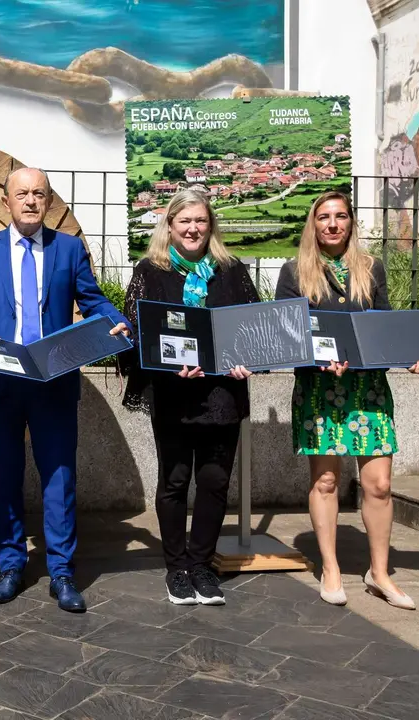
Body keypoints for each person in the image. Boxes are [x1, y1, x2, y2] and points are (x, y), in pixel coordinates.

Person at [0, 167, 130, 613]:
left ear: (48, 202)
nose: (30, 201)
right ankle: (11, 566)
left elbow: (90, 299)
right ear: (6, 201)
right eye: (22, 194)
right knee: (6, 479)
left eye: (39, 194)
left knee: (59, 479)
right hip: (0, 382)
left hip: (53, 381)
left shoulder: (68, 249)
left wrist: (116, 318)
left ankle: (63, 573)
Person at [275, 191, 419, 610]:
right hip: (318, 391)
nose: (332, 224)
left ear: (351, 222)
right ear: (313, 224)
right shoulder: (294, 272)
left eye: (340, 216)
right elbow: (286, 336)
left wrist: (412, 354)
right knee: (325, 481)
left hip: (369, 390)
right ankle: (331, 568)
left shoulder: (370, 268)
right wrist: (319, 361)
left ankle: (379, 574)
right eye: (323, 217)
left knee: (379, 485)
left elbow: (385, 328)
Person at [120, 189, 259, 606]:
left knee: (215, 482)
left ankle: (201, 566)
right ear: (170, 226)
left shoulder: (232, 271)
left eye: (200, 221)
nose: (193, 228)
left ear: (210, 224)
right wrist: (165, 365)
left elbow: (252, 327)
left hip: (221, 393)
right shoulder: (151, 270)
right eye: (184, 221)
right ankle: (177, 569)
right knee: (175, 481)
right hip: (175, 393)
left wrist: (246, 360)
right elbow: (135, 334)